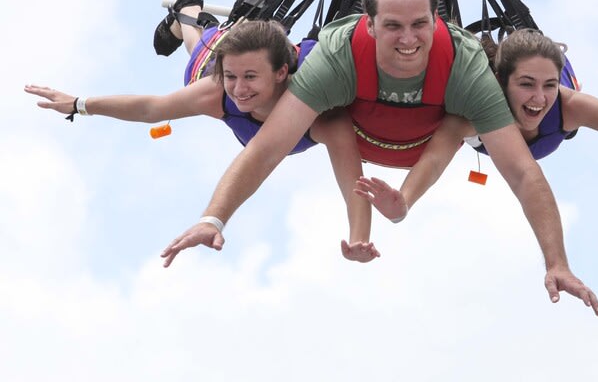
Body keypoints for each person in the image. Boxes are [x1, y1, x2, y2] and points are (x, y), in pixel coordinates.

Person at [160, 0, 598, 316]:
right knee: (203, 63)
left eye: (419, 24)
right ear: (368, 24)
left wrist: (556, 261)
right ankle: (188, 19)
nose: (408, 39)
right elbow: (266, 149)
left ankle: (189, 21)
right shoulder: (335, 60)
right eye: (393, 25)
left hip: (421, 136)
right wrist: (213, 218)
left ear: (437, 20)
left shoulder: (465, 68)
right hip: (352, 117)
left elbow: (524, 173)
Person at [25, 17, 380, 263]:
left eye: (251, 77)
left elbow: (353, 178)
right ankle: (187, 15)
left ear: (281, 72)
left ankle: (195, 25)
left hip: (322, 58)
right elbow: (152, 108)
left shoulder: (322, 114)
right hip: (217, 55)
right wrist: (78, 104)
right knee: (199, 55)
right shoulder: (218, 91)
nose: (240, 89)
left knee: (206, 60)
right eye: (232, 77)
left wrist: (359, 235)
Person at [354, 28, 598, 228]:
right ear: (504, 83)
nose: (539, 98)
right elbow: (437, 157)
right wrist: (404, 201)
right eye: (526, 85)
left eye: (548, 86)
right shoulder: (473, 113)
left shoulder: (567, 106)